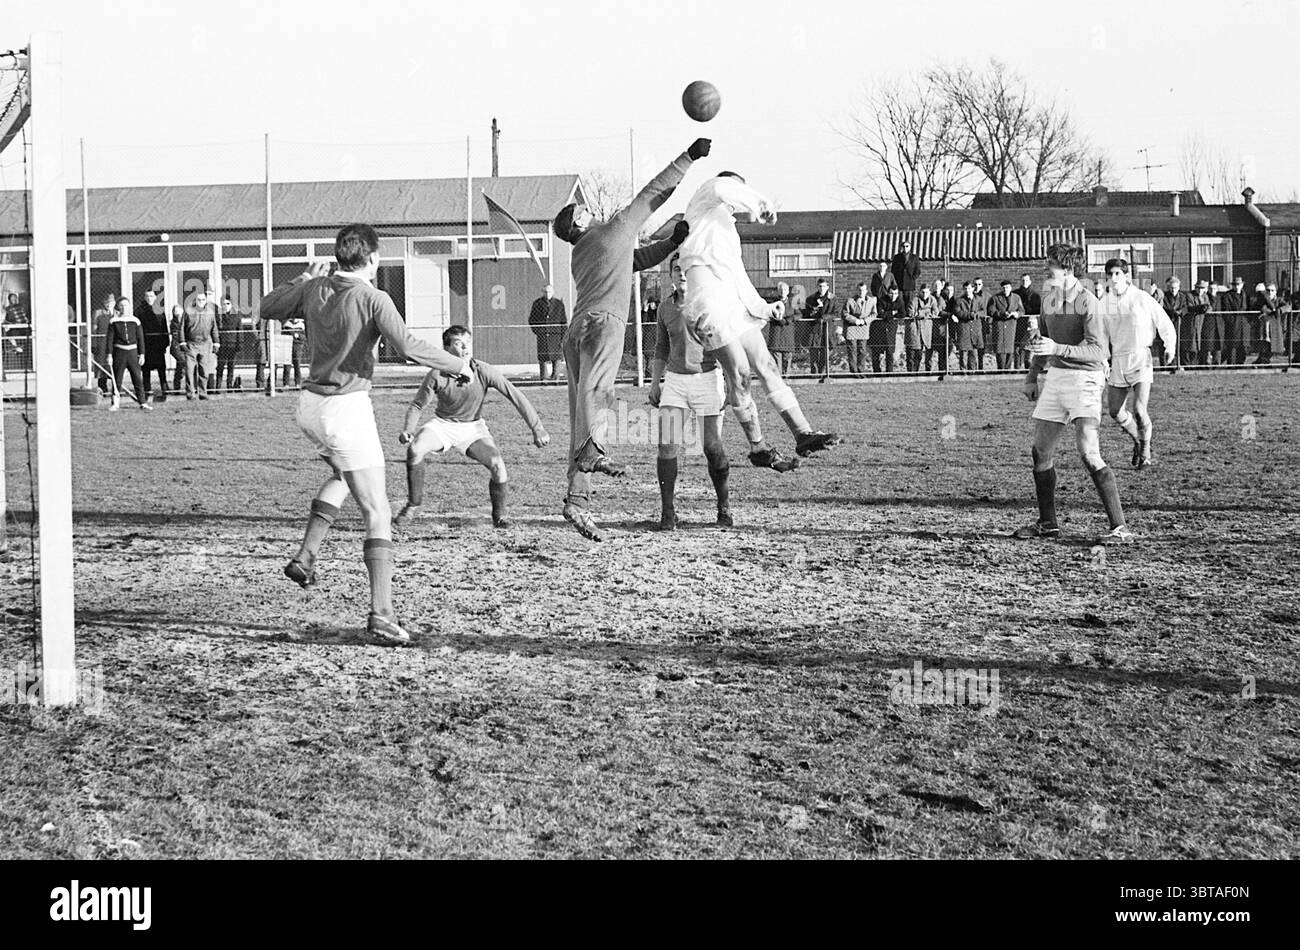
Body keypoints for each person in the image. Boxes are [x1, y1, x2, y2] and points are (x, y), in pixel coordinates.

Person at [260, 223, 474, 645]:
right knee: (377, 511)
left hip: (310, 408)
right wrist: (457, 365)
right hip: (346, 409)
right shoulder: (375, 297)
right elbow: (409, 346)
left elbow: (268, 306)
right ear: (373, 259)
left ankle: (306, 557)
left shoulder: (315, 287)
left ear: (338, 256)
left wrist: (304, 276)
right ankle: (381, 613)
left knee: (344, 476)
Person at [552, 138, 707, 541]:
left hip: (576, 331)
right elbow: (653, 193)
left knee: (581, 413)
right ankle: (595, 451)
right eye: (584, 210)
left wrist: (671, 244)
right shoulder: (617, 227)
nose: (591, 209)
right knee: (599, 396)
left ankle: (577, 500)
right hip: (604, 324)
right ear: (580, 223)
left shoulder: (584, 250)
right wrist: (687, 157)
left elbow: (635, 262)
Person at [678, 170, 839, 476]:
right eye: (740, 190)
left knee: (767, 364)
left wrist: (766, 309)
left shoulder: (729, 229)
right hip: (706, 300)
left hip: (731, 300)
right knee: (739, 372)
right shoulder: (703, 201)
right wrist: (760, 204)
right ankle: (758, 448)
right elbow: (723, 186)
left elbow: (740, 279)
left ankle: (803, 434)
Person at [1016, 242, 1131, 543]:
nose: (1045, 269)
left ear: (1067, 270)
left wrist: (1057, 349)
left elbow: (1097, 351)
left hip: (1088, 379)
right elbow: (1043, 340)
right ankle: (1047, 523)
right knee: (1040, 450)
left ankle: (1119, 527)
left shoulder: (1088, 302)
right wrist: (1032, 376)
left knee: (1089, 453)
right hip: (1057, 377)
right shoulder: (1048, 299)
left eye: (1050, 265)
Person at [395, 325, 548, 529]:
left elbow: (515, 396)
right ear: (447, 348)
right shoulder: (437, 374)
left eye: (468, 342)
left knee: (497, 465)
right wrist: (408, 430)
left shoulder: (482, 370)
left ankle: (499, 517)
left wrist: (537, 428)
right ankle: (413, 505)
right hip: (442, 425)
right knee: (415, 449)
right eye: (458, 343)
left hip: (472, 429)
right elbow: (417, 405)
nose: (465, 348)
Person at [647, 255, 733, 529]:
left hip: (708, 378)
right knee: (667, 445)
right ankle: (668, 513)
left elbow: (726, 344)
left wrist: (732, 381)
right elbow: (661, 348)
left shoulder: (708, 304)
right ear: (671, 276)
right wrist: (654, 382)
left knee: (712, 447)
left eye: (686, 270)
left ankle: (724, 507)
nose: (682, 274)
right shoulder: (664, 309)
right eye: (676, 269)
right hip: (675, 381)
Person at [1098, 258, 1176, 469]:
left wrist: (1170, 346)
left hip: (1141, 356)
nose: (1113, 279)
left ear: (1126, 276)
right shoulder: (1104, 302)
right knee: (1115, 411)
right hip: (1119, 360)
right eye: (1109, 274)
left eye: (1117, 274)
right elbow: (1102, 334)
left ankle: (1146, 450)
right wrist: (1104, 359)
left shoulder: (1142, 298)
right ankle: (1137, 439)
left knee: (1140, 410)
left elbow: (1164, 321)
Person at [105, 297, 150, 411]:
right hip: (119, 353)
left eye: (126, 305)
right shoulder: (113, 321)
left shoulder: (135, 321)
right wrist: (109, 355)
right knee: (117, 379)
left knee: (137, 378)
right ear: (118, 307)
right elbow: (110, 339)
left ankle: (143, 402)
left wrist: (142, 354)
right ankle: (115, 403)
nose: (124, 308)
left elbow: (140, 339)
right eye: (122, 305)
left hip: (133, 353)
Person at [173, 293, 219, 400]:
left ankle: (203, 392)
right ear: (195, 300)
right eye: (199, 299)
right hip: (191, 344)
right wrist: (182, 342)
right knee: (189, 370)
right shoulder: (188, 312)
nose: (201, 301)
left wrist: (216, 342)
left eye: (203, 299)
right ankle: (190, 393)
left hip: (205, 344)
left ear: (206, 301)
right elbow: (182, 328)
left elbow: (214, 328)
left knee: (204, 370)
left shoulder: (210, 313)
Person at [528, 284, 567, 381]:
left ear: (553, 292)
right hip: (543, 335)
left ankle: (555, 377)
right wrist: (538, 331)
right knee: (543, 358)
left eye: (549, 292)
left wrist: (563, 334)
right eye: (545, 292)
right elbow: (532, 319)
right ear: (542, 292)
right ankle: (543, 378)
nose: (547, 294)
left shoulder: (559, 304)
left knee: (556, 357)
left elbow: (563, 321)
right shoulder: (537, 304)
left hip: (555, 335)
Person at [137, 290, 170, 400]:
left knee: (161, 368)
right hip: (146, 345)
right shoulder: (139, 311)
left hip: (158, 345)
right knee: (146, 369)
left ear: (155, 297)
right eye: (147, 296)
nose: (149, 298)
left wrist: (165, 343)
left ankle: (164, 388)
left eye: (151, 296)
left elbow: (165, 327)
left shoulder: (160, 311)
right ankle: (147, 390)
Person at [804, 277, 837, 378]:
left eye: (824, 286)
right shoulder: (810, 299)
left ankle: (822, 373)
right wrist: (813, 312)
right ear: (817, 287)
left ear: (827, 287)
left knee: (825, 351)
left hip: (827, 329)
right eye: (820, 286)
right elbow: (807, 313)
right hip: (815, 329)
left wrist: (825, 317)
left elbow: (835, 313)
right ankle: (814, 373)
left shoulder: (833, 298)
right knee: (814, 351)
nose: (822, 288)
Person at [1161, 276, 1196, 368]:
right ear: (1168, 288)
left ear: (1179, 288)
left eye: (1175, 288)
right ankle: (1168, 365)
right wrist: (1171, 312)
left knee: (1180, 344)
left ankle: (1180, 364)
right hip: (1167, 323)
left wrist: (1180, 312)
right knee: (1168, 344)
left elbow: (1186, 307)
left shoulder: (1183, 297)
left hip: (1179, 323)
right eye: (1171, 288)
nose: (1173, 290)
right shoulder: (1164, 297)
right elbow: (1163, 307)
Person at [988, 280, 1023, 370]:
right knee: (1000, 348)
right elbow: (991, 311)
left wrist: (1017, 314)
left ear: (1011, 288)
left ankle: (1008, 369)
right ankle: (1001, 369)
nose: (1005, 289)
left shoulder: (1016, 298)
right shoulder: (995, 298)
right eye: (1004, 288)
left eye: (1007, 287)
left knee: (1010, 348)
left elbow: (1022, 310)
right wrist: (1002, 313)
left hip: (1011, 325)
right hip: (1000, 325)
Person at [1218, 276, 1251, 365]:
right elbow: (1225, 310)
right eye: (1235, 284)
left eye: (1239, 284)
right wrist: (1231, 321)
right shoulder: (1227, 295)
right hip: (1233, 324)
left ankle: (1240, 363)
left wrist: (1247, 321)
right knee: (1232, 345)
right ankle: (1231, 364)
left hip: (1243, 323)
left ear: (1242, 285)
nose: (1237, 286)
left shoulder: (1246, 295)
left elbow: (1249, 309)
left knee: (1242, 345)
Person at [765, 281, 796, 376]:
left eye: (785, 289)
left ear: (788, 291)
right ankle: (777, 377)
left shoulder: (792, 302)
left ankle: (787, 376)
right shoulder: (773, 303)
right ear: (778, 291)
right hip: (776, 332)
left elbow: (799, 314)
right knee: (776, 356)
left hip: (788, 332)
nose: (783, 291)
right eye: (781, 290)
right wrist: (778, 319)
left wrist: (788, 320)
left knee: (787, 356)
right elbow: (768, 313)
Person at [906, 283, 938, 372]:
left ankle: (925, 372)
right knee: (914, 353)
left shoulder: (932, 299)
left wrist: (926, 314)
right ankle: (912, 373)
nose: (925, 294)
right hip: (916, 329)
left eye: (927, 292)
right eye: (923, 292)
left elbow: (936, 311)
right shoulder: (915, 300)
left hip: (927, 329)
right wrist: (925, 314)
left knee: (925, 353)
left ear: (929, 292)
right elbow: (911, 313)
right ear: (920, 292)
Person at [1012, 273, 1042, 371]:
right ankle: (1017, 367)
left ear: (1030, 281)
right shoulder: (1015, 294)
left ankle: (1028, 366)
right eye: (1023, 280)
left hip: (1031, 323)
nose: (1024, 282)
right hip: (1018, 323)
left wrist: (1032, 318)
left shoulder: (1035, 295)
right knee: (1017, 345)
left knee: (1029, 345)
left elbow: (1038, 309)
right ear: (1020, 281)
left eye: (1026, 280)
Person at [841, 281, 871, 376]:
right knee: (852, 350)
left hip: (864, 328)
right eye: (859, 290)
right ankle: (854, 371)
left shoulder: (870, 301)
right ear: (856, 291)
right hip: (852, 328)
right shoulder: (850, 301)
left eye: (863, 290)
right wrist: (855, 320)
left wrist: (865, 320)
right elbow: (845, 314)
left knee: (862, 350)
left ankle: (861, 370)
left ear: (866, 291)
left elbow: (874, 314)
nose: (861, 292)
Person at [215, 297, 245, 392]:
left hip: (232, 345)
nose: (226, 306)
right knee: (220, 367)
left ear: (231, 305)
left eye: (228, 303)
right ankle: (218, 387)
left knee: (231, 367)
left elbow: (239, 331)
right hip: (222, 345)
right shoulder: (219, 316)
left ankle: (229, 386)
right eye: (224, 304)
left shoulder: (236, 316)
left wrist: (239, 343)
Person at [873, 285, 904, 373]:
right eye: (891, 293)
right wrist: (893, 312)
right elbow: (880, 314)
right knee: (877, 351)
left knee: (890, 351)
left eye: (895, 293)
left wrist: (887, 314)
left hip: (891, 328)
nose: (893, 295)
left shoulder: (899, 301)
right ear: (888, 293)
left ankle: (889, 372)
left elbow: (902, 314)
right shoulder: (882, 300)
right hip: (879, 328)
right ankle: (876, 372)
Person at [92, 293, 116, 395]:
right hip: (102, 342)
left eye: (110, 302)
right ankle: (102, 387)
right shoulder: (98, 313)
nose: (108, 304)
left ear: (114, 303)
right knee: (102, 364)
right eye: (106, 302)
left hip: (114, 342)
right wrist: (94, 344)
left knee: (115, 364)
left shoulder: (117, 313)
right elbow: (94, 330)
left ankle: (116, 387)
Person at [890, 240, 921, 318]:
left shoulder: (914, 258)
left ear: (910, 247)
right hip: (899, 285)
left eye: (907, 246)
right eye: (903, 246)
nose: (905, 248)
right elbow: (893, 271)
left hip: (910, 285)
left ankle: (908, 320)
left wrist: (912, 278)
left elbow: (917, 271)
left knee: (909, 303)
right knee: (900, 303)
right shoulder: (897, 257)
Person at [953, 282, 979, 372]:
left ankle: (973, 371)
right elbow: (958, 312)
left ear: (973, 289)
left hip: (975, 329)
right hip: (964, 328)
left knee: (973, 352)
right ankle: (963, 371)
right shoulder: (959, 301)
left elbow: (982, 310)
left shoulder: (978, 299)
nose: (967, 290)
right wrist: (970, 315)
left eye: (969, 288)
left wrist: (976, 315)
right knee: (963, 352)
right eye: (965, 289)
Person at [1256, 283, 1284, 364]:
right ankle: (1262, 362)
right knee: (1265, 345)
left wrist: (1280, 310)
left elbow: (1287, 306)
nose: (1270, 292)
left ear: (1275, 292)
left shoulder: (1279, 300)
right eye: (1268, 290)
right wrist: (1272, 311)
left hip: (1275, 326)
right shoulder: (1263, 300)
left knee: (1274, 346)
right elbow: (1263, 308)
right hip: (1265, 327)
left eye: (1272, 290)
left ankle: (1262, 362)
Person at [1198, 279, 1223, 365]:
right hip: (1207, 323)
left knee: (1218, 345)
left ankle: (1217, 363)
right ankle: (1206, 363)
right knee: (1207, 344)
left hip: (1218, 325)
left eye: (1214, 288)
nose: (1213, 290)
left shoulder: (1220, 298)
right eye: (1211, 288)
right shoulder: (1205, 297)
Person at [970, 277, 990, 369]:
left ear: (982, 285)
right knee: (972, 347)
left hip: (982, 325)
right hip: (971, 324)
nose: (977, 286)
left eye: (979, 284)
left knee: (981, 348)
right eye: (975, 284)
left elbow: (990, 311)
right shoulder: (970, 295)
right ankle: (973, 368)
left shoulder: (987, 296)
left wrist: (988, 322)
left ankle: (981, 368)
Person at [281, 314, 305, 387]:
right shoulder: (287, 323)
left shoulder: (301, 324)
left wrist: (297, 335)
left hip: (298, 346)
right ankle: (286, 383)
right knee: (287, 365)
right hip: (288, 346)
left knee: (297, 364)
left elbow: (304, 336)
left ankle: (298, 383)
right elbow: (284, 334)